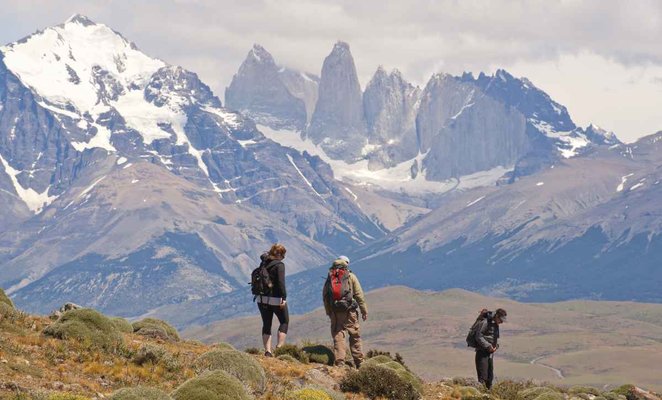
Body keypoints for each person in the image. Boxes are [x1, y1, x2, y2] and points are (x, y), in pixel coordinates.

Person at [322, 255, 368, 368]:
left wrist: (329, 312)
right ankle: (359, 362)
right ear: (346, 263)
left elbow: (325, 296)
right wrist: (364, 310)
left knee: (338, 334)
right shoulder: (350, 276)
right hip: (350, 310)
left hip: (335, 311)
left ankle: (340, 362)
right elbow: (359, 295)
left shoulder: (330, 277)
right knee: (354, 335)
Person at [256, 243, 289, 357]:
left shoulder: (263, 263)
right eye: (283, 255)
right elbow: (281, 283)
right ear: (279, 254)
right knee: (284, 321)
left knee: (266, 324)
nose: (283, 257)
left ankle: (267, 352)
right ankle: (279, 348)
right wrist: (283, 298)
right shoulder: (279, 265)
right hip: (275, 299)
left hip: (261, 299)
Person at [474, 308, 507, 389]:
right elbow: (478, 336)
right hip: (482, 353)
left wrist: (496, 347)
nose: (502, 322)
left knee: (490, 377)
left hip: (490, 353)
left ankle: (488, 394)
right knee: (483, 378)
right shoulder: (485, 322)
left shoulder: (495, 324)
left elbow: (495, 338)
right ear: (497, 316)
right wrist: (488, 346)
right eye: (500, 319)